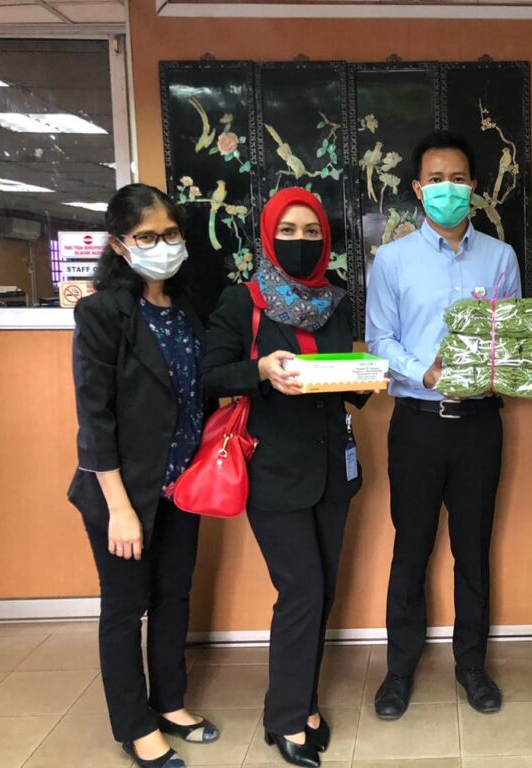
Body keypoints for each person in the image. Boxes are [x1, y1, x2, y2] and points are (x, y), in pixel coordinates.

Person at [203, 187, 366, 768]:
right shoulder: (241, 301)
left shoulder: (336, 302)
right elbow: (208, 374)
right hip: (272, 468)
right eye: (289, 232)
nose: (302, 241)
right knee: (302, 589)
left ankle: (303, 700)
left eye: (312, 231)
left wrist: (364, 379)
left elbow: (338, 378)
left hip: (332, 469)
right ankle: (285, 717)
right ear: (269, 237)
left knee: (321, 591)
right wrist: (260, 370)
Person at [365, 130, 521, 719]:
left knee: (473, 551)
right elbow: (380, 340)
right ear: (417, 188)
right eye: (436, 179)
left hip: (479, 425)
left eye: (457, 179)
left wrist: (501, 368)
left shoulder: (500, 258)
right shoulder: (393, 259)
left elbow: (510, 335)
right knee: (411, 548)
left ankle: (472, 666)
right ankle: (399, 670)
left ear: (474, 186)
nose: (447, 189)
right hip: (418, 425)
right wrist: (425, 373)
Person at [68, 183, 218, 768]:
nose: (163, 245)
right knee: (125, 606)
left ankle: (170, 702)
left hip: (183, 484)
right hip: (122, 493)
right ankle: (135, 726)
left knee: (174, 595)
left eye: (171, 233)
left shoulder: (187, 306)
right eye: (147, 237)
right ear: (119, 245)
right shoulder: (101, 312)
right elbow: (95, 418)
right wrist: (120, 508)